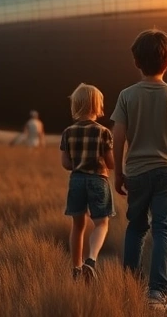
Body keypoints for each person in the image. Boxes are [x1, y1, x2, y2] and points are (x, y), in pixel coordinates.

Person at [111, 29, 167, 312]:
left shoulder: (126, 96)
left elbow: (118, 136)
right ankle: (157, 293)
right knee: (163, 229)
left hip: (136, 171)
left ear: (136, 61)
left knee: (135, 228)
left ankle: (129, 287)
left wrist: (118, 172)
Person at [60, 83, 115, 281]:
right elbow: (110, 163)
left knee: (77, 226)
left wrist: (78, 162)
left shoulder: (68, 132)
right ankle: (91, 261)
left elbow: (66, 163)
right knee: (101, 223)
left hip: (76, 180)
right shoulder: (104, 132)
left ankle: (76, 269)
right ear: (97, 105)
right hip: (98, 180)